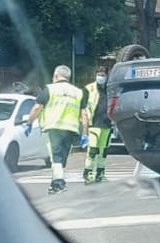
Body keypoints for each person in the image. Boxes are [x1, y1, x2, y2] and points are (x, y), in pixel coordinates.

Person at [24, 65, 89, 194]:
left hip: (53, 127)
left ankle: (59, 184)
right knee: (60, 159)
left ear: (56, 75)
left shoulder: (49, 89)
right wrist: (85, 134)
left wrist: (29, 122)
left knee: (56, 158)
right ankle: (54, 184)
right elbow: (84, 115)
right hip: (71, 129)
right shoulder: (78, 92)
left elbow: (37, 108)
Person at [82, 66, 113, 184]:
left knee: (103, 151)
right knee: (92, 150)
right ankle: (88, 173)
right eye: (99, 74)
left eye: (103, 75)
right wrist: (84, 128)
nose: (101, 77)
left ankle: (100, 173)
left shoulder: (110, 89)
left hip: (106, 124)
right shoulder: (89, 89)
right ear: (95, 75)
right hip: (93, 124)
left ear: (107, 76)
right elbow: (84, 108)